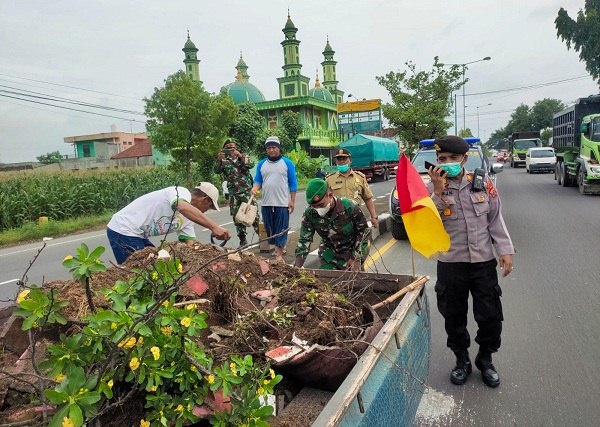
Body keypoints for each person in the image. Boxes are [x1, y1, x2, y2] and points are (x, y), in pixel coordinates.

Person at [426, 135, 514, 388]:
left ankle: (485, 359)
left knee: (490, 316)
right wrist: (439, 192)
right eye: (443, 159)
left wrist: (505, 250)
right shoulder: (432, 187)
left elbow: (495, 218)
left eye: (454, 158)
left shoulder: (481, 182)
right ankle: (461, 359)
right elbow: (427, 224)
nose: (448, 163)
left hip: (483, 262)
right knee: (454, 316)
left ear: (464, 158)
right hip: (451, 263)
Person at [106, 183, 230, 264]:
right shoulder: (180, 192)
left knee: (157, 263)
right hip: (122, 229)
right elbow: (181, 206)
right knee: (138, 271)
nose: (206, 211)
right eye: (208, 207)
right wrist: (214, 227)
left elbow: (190, 246)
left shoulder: (188, 220)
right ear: (205, 199)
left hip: (137, 235)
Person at [294, 179, 370, 271]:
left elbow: (364, 233)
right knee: (328, 281)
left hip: (352, 248)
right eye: (314, 206)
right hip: (328, 252)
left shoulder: (349, 207)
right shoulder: (309, 213)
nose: (318, 209)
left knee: (354, 281)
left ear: (330, 195)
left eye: (321, 205)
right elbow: (304, 240)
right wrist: (296, 268)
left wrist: (356, 258)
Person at [251, 136, 297, 263]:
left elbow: (293, 184)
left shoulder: (287, 163)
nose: (271, 150)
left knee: (281, 229)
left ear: (279, 148)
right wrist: (255, 188)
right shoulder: (261, 164)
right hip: (266, 203)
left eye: (274, 147)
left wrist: (292, 201)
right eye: (269, 148)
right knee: (270, 229)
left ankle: (279, 255)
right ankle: (279, 247)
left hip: (282, 203)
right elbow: (258, 180)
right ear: (266, 150)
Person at [215, 138, 259, 247]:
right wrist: (219, 160)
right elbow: (216, 171)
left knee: (253, 215)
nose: (230, 150)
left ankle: (263, 237)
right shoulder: (224, 161)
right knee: (237, 217)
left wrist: (240, 156)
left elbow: (251, 165)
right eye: (228, 148)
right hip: (233, 193)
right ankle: (243, 240)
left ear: (237, 148)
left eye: (232, 147)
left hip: (246, 192)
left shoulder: (243, 157)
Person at [325, 148, 379, 228]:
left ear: (350, 160)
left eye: (344, 158)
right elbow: (325, 201)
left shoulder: (360, 178)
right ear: (336, 161)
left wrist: (374, 216)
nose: (341, 161)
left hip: (357, 218)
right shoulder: (329, 180)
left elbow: (367, 198)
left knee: (362, 239)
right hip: (337, 220)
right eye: (339, 159)